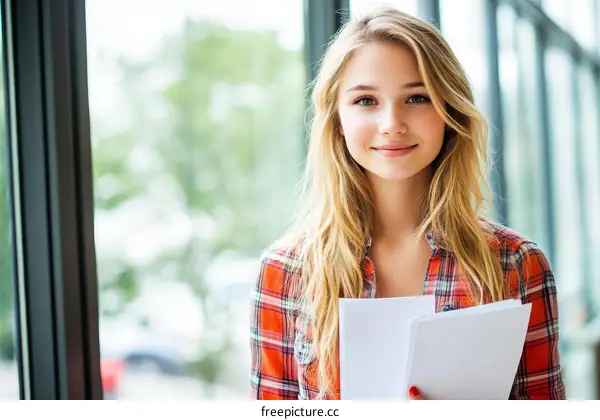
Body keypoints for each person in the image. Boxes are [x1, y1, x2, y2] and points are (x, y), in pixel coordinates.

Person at [249, 6, 565, 400]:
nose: (391, 123)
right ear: (337, 119)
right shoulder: (286, 272)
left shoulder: (515, 263)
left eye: (417, 97)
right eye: (365, 101)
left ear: (450, 111)